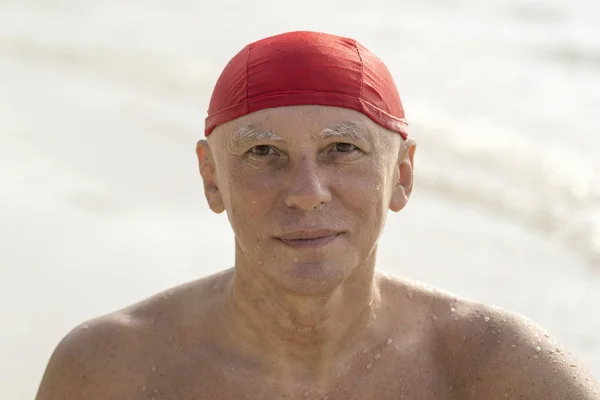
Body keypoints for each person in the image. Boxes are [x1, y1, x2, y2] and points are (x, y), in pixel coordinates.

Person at [35, 31, 599, 400]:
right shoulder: (111, 373)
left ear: (401, 175)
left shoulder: (500, 374)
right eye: (264, 154)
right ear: (212, 178)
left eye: (342, 149)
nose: (306, 193)